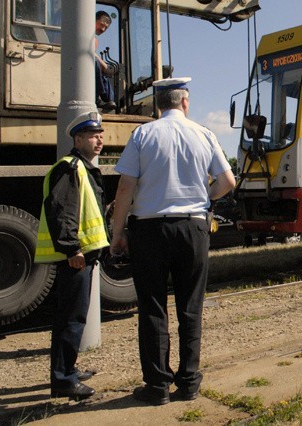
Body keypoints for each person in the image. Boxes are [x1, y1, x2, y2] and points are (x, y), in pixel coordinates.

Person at [110, 77, 235, 405]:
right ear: (184, 102)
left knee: (152, 308)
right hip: (193, 229)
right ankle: (190, 382)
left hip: (149, 231)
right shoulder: (204, 134)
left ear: (157, 105)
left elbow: (125, 187)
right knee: (190, 308)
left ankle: (157, 387)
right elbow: (227, 181)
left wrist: (117, 233)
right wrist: (201, 198)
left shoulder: (142, 134)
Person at [35, 111, 109, 401]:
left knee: (74, 316)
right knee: (71, 318)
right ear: (78, 139)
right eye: (93, 135)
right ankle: (64, 379)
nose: (99, 139)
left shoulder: (82, 168)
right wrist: (72, 249)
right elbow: (61, 211)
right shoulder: (69, 168)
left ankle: (68, 370)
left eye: (100, 134)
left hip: (83, 255)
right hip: (76, 257)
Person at [94, 11, 116, 112]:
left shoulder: (93, 39)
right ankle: (99, 98)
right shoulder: (84, 34)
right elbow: (88, 53)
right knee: (95, 64)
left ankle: (109, 99)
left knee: (104, 73)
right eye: (102, 25)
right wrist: (105, 66)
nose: (103, 29)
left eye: (106, 28)